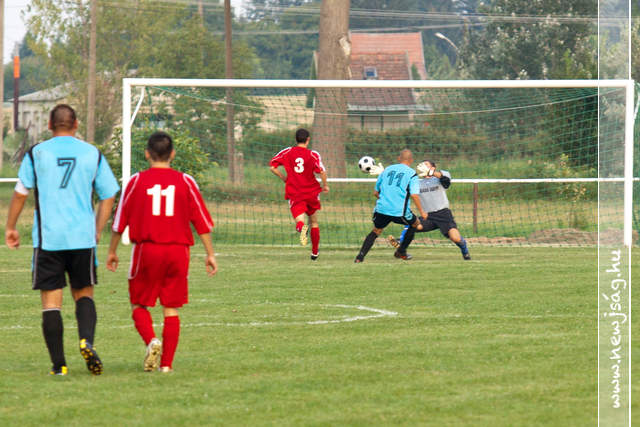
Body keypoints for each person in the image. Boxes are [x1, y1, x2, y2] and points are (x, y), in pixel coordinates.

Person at [4, 104, 119, 376]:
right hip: (82, 238)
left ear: (49, 125)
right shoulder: (92, 153)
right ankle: (86, 341)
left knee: (51, 304)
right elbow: (108, 194)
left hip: (49, 240)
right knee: (84, 294)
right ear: (76, 124)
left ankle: (59, 366)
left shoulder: (37, 153)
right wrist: (97, 228)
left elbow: (20, 193)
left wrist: (10, 227)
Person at [106, 131, 217, 373]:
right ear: (172, 154)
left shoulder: (136, 181)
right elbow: (201, 221)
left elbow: (119, 221)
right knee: (171, 307)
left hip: (147, 250)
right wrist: (210, 254)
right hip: (178, 251)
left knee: (138, 303)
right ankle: (166, 365)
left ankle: (151, 341)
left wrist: (112, 251)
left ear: (147, 154)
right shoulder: (185, 181)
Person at [354, 149, 427, 263]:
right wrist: (422, 212)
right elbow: (414, 195)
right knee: (415, 224)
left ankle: (360, 257)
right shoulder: (412, 174)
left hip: (381, 209)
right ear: (411, 160)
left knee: (376, 231)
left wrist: (386, 201)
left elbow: (376, 192)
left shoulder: (387, 170)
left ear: (398, 158)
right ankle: (401, 251)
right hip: (399, 211)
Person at [388, 160, 471, 260]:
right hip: (427, 216)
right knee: (412, 224)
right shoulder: (416, 183)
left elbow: (446, 179)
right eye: (422, 164)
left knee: (455, 238)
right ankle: (401, 242)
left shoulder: (439, 178)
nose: (423, 165)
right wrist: (385, 173)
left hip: (443, 215)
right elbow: (399, 184)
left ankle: (465, 251)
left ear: (433, 168)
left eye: (426, 164)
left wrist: (431, 172)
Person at [269, 128, 329, 261]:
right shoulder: (313, 154)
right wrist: (325, 185)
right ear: (308, 140)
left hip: (295, 192)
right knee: (314, 222)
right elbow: (322, 171)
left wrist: (283, 178)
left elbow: (272, 167)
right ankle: (314, 252)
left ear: (296, 139)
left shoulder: (287, 152)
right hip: (311, 192)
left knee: (300, 221)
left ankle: (301, 228)